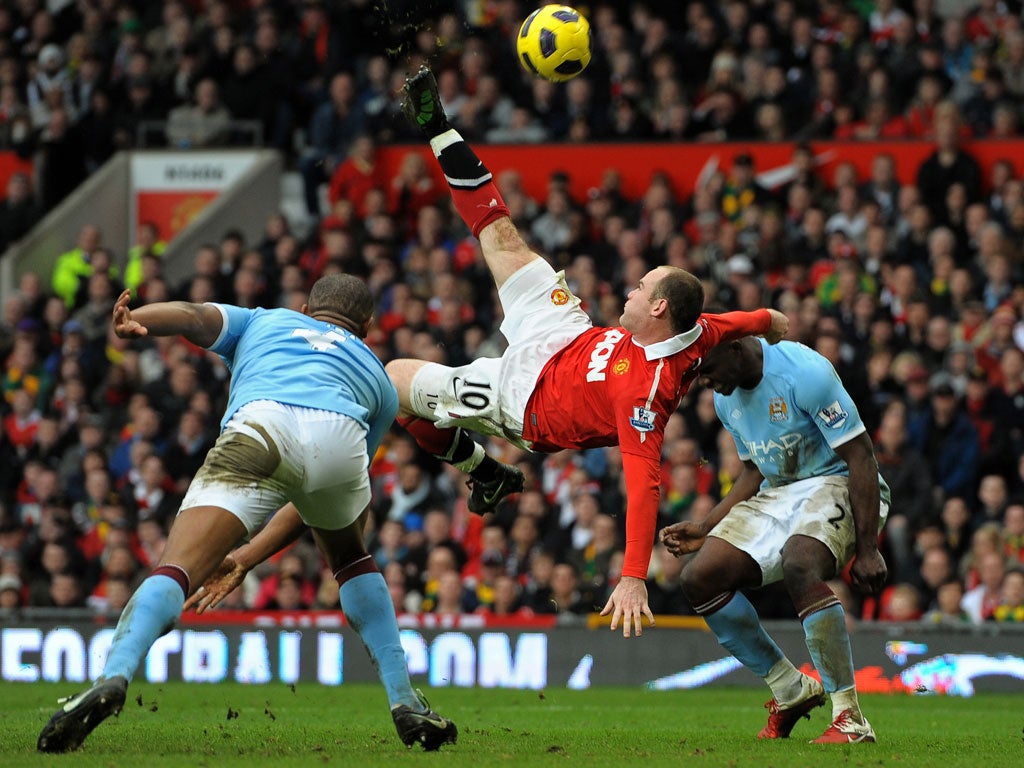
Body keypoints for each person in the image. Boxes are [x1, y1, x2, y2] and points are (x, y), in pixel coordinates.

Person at [390, 67, 789, 638]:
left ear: (656, 311)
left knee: (394, 382)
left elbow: (643, 483)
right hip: (563, 332)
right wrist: (777, 325)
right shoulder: (695, 327)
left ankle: (484, 471)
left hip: (526, 401)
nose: (631, 287)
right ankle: (438, 127)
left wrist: (633, 576)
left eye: (641, 286)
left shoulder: (643, 395)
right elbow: (751, 319)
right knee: (500, 233)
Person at [37, 276, 457, 753]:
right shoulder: (379, 379)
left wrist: (140, 320)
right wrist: (245, 559)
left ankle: (114, 676)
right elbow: (314, 494)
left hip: (262, 425)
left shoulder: (267, 320)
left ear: (303, 307)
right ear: (367, 326)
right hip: (340, 440)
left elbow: (194, 317)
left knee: (178, 568)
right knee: (350, 557)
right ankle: (404, 700)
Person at [661, 336, 889, 744]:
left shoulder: (805, 373)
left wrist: (869, 547)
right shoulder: (725, 399)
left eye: (707, 369)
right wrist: (708, 524)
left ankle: (850, 718)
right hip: (780, 491)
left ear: (734, 348)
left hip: (836, 481)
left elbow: (860, 455)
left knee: (799, 564)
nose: (704, 381)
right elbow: (753, 471)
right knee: (700, 577)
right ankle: (790, 689)